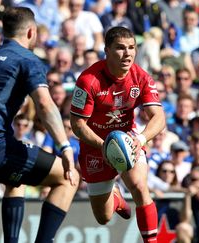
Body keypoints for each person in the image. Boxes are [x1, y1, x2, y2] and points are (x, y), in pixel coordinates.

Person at [0, 7, 79, 243]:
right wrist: (65, 147)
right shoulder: (26, 58)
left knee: (16, 176)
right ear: (31, 32)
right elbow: (46, 105)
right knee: (68, 177)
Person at [70, 26, 166, 242]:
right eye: (120, 48)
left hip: (127, 138)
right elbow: (77, 124)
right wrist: (103, 145)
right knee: (103, 217)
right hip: (95, 147)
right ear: (107, 50)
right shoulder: (88, 81)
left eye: (132, 48)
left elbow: (159, 117)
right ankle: (116, 199)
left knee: (139, 186)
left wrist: (140, 139)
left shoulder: (140, 77)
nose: (128, 53)